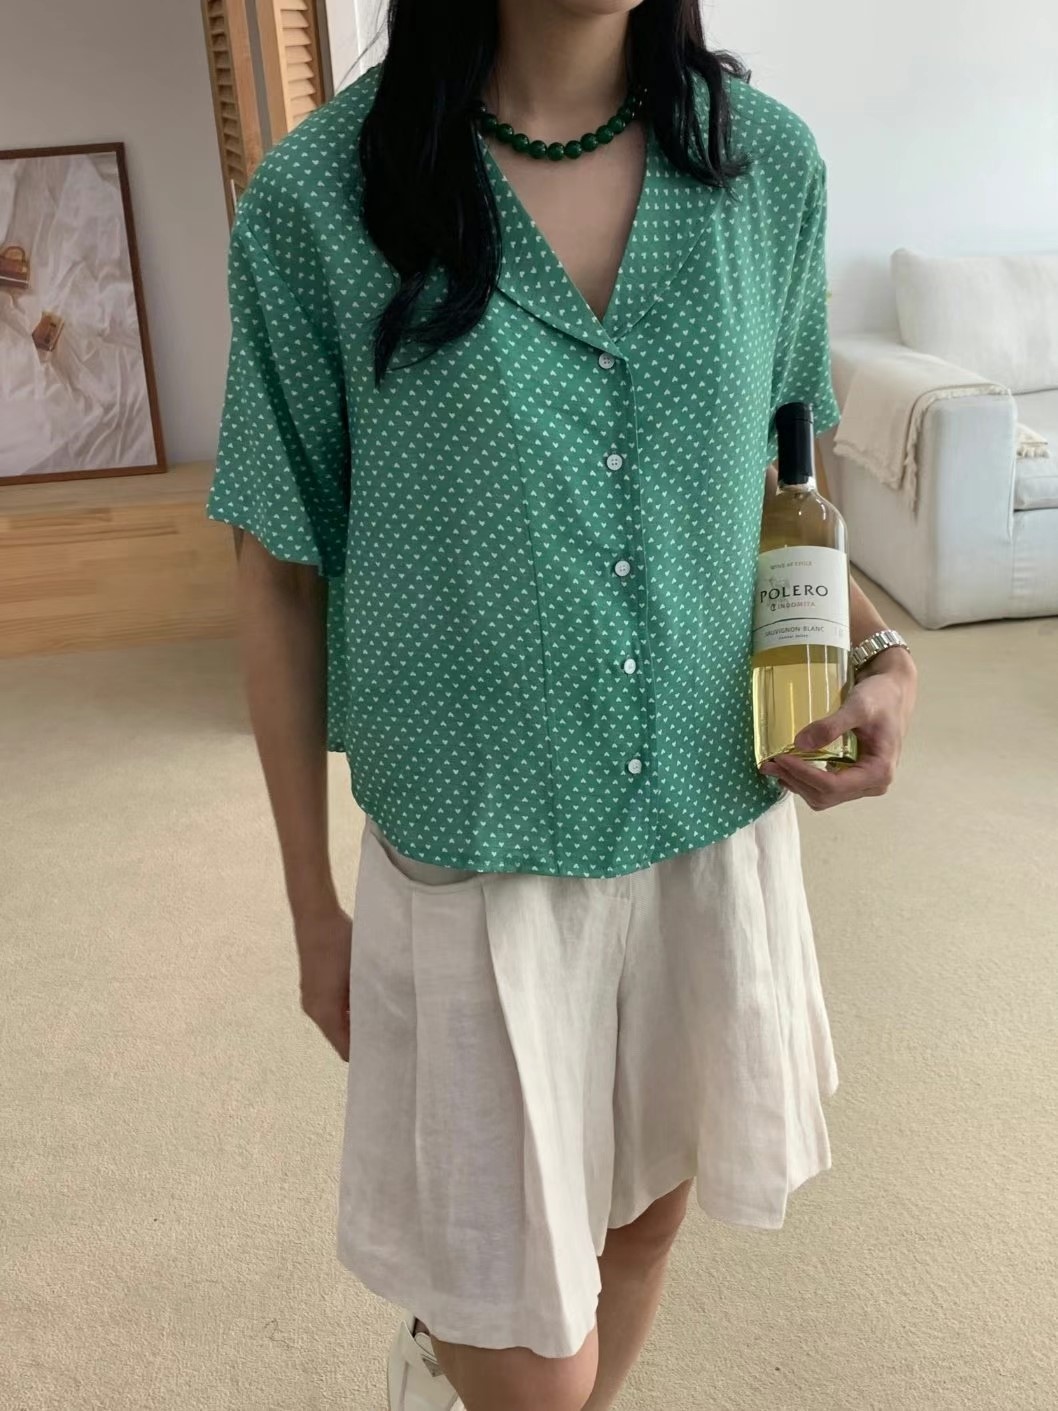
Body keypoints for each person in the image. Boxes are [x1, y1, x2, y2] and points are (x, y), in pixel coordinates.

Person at [204, 2, 919, 1408]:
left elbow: (780, 490)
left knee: (640, 1224)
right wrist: (310, 909)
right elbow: (275, 567)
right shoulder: (319, 201)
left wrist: (880, 650)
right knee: (530, 1344)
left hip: (706, 820)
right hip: (481, 852)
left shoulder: (765, 166)